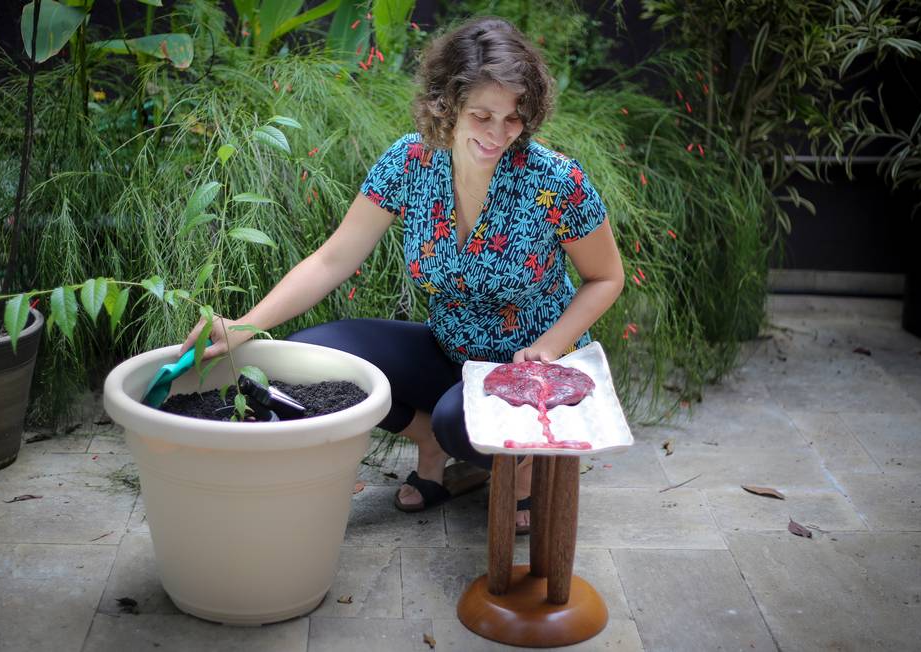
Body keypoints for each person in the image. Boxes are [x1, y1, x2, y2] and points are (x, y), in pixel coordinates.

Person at [181, 16, 624, 533]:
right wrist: (244, 325)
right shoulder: (411, 161)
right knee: (313, 356)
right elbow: (332, 260)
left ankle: (521, 468)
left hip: (527, 370)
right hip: (449, 350)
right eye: (482, 115)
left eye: (513, 118)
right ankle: (429, 442)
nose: (498, 133)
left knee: (461, 425)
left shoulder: (554, 181)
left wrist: (549, 346)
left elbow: (606, 277)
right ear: (448, 104)